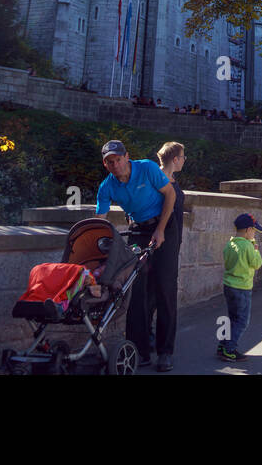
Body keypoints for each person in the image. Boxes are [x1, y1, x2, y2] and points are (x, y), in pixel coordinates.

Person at [96, 139, 177, 367]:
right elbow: (100, 222)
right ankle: (139, 350)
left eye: (119, 159)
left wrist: (160, 230)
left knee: (165, 286)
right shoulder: (107, 186)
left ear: (127, 156)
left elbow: (170, 195)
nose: (116, 165)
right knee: (133, 289)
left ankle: (165, 351)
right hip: (138, 228)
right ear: (105, 164)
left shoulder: (147, 168)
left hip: (165, 223)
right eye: (110, 162)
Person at [152, 141, 186, 372]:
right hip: (155, 241)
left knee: (158, 296)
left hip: (170, 245)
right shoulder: (156, 181)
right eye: (183, 156)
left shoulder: (171, 182)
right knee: (161, 297)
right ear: (175, 159)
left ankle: (160, 349)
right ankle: (161, 351)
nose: (184, 160)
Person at [218, 213, 262, 361]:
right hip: (242, 288)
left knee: (232, 317)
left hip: (228, 286)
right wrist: (256, 249)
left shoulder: (230, 244)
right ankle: (230, 349)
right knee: (242, 321)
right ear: (248, 230)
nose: (254, 234)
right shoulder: (248, 246)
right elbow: (257, 264)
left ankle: (222, 345)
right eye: (253, 231)